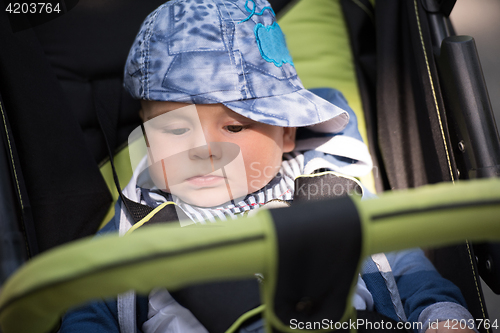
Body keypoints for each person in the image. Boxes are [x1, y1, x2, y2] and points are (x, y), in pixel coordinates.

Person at [60, 0, 476, 332]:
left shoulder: (326, 185)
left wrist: (440, 315)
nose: (203, 150)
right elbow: (87, 303)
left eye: (235, 127)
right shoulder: (136, 219)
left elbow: (406, 265)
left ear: (288, 132)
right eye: (175, 130)